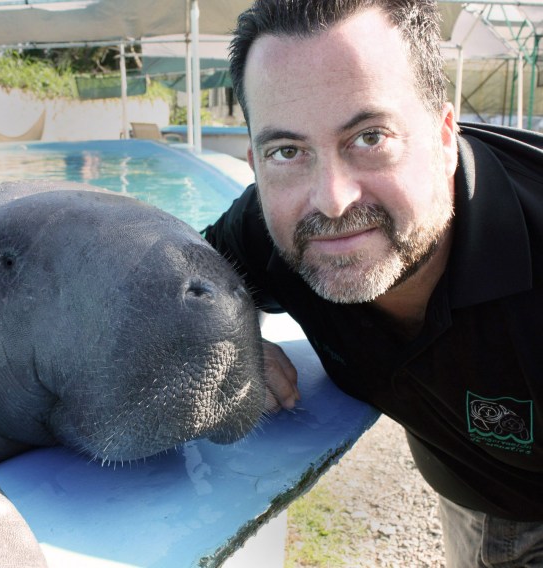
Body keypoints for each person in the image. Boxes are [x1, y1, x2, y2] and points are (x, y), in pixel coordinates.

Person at [202, 0, 543, 565]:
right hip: (469, 488)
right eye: (287, 151)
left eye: (370, 138)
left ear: (443, 135)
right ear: (256, 163)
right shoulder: (268, 228)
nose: (332, 200)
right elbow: (178, 280)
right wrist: (221, 337)